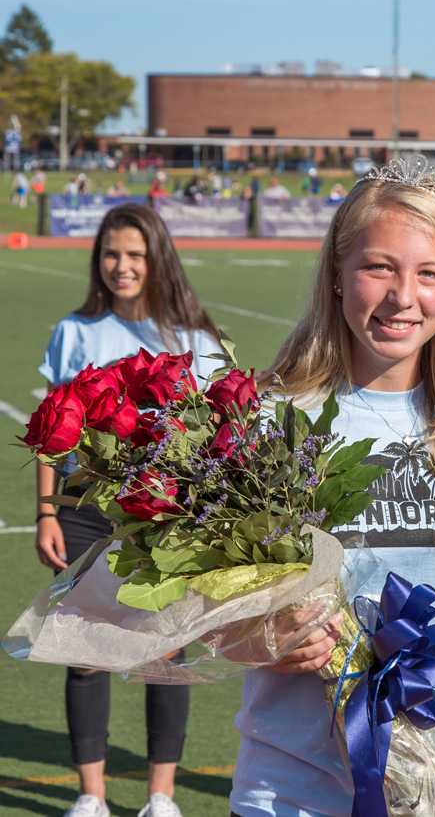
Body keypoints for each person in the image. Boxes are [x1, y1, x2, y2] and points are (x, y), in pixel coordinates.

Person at [229, 157, 435, 817]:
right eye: (379, 267)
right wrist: (263, 639)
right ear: (336, 274)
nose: (402, 296)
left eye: (429, 273)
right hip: (294, 793)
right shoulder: (271, 421)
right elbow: (209, 623)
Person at [34, 203, 223, 817]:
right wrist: (46, 513)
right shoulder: (74, 331)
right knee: (84, 653)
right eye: (111, 254)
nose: (122, 266)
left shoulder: (193, 340)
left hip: (161, 517)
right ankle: (90, 797)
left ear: (157, 259)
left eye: (135, 255)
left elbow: (218, 435)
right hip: (83, 510)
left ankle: (160, 797)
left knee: (163, 654)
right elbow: (51, 433)